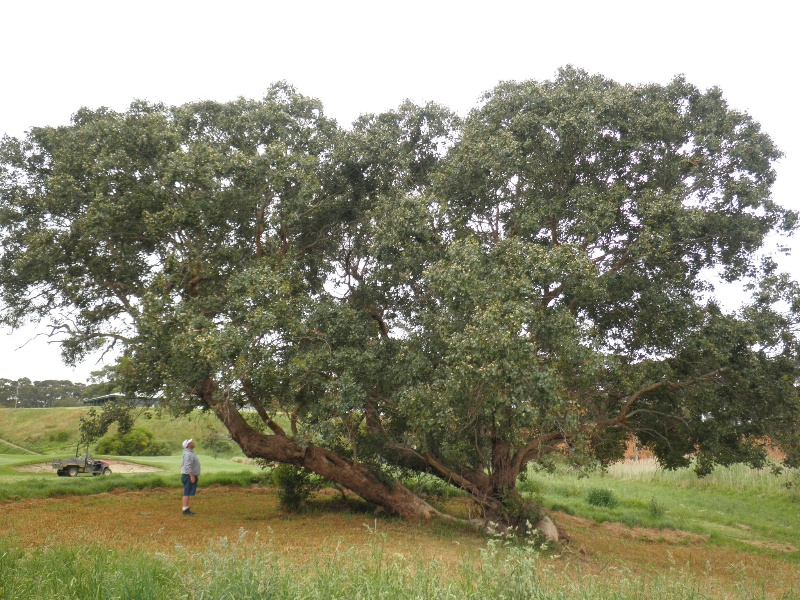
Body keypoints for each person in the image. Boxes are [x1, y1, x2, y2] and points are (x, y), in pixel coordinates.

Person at [181, 438, 201, 516]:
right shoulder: (188, 454)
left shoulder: (189, 453)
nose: (192, 443)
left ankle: (186, 508)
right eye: (190, 442)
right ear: (188, 445)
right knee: (187, 492)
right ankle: (185, 509)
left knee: (188, 492)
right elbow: (187, 466)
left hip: (188, 475)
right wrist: (191, 476)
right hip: (188, 476)